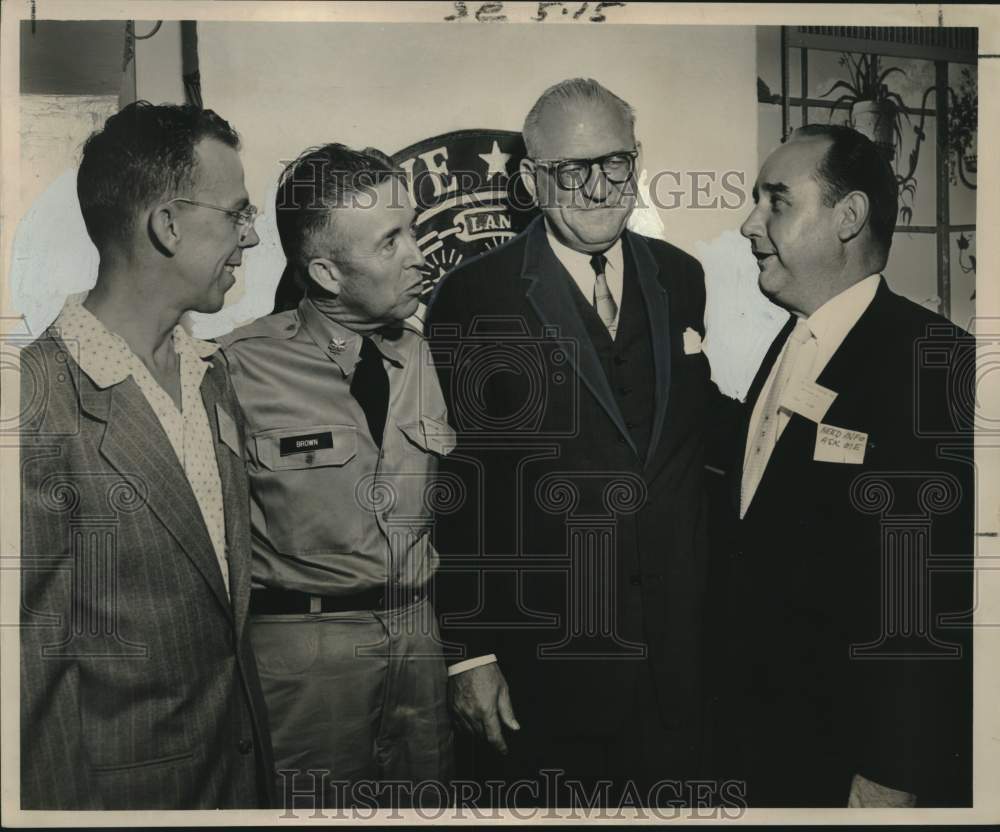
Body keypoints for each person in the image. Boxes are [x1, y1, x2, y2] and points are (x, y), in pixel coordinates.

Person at [425, 78, 714, 805]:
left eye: (613, 162)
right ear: (529, 179)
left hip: (681, 665)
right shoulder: (475, 296)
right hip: (546, 672)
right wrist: (472, 653)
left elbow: (694, 428)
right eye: (568, 170)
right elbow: (459, 492)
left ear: (637, 159)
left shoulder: (682, 277)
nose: (595, 187)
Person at [706, 124, 973, 807]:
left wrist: (894, 770)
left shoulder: (930, 359)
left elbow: (927, 596)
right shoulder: (793, 344)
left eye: (776, 202)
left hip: (853, 768)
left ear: (848, 218)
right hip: (763, 749)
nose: (748, 225)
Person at [19, 101, 274, 809]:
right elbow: (29, 684)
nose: (250, 239)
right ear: (166, 224)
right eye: (235, 215)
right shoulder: (36, 402)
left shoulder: (209, 373)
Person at [216, 144, 453, 810]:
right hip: (304, 663)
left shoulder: (423, 356)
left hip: (417, 643)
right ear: (325, 271)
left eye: (412, 228)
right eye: (389, 242)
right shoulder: (236, 371)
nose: (417, 253)